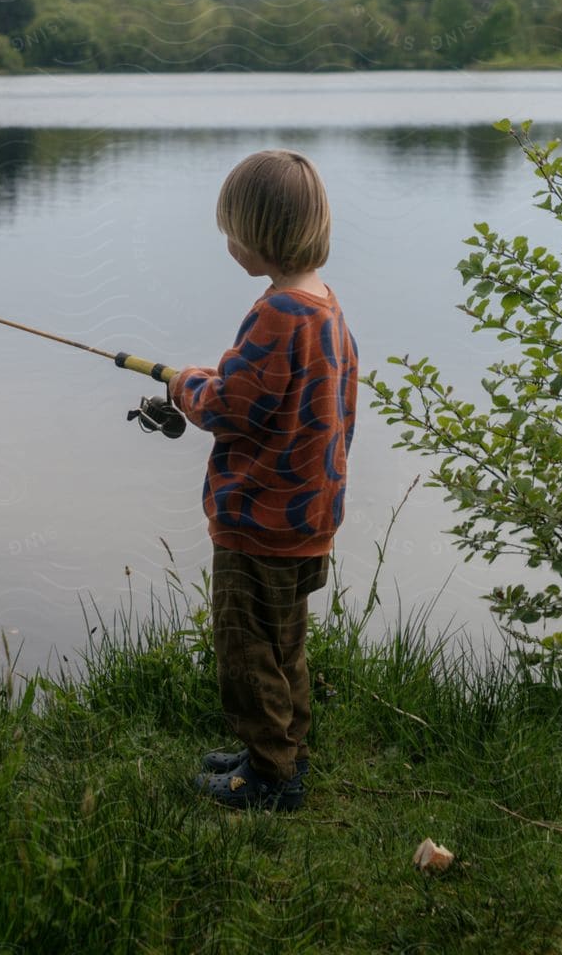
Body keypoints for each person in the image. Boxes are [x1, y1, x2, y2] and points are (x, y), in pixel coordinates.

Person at [167, 148, 358, 811]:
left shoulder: (276, 315)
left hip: (261, 520)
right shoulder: (326, 307)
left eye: (233, 231)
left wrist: (183, 382)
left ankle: (271, 776)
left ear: (262, 237)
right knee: (287, 643)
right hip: (310, 514)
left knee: (247, 651)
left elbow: (229, 407)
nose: (228, 243)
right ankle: (283, 748)